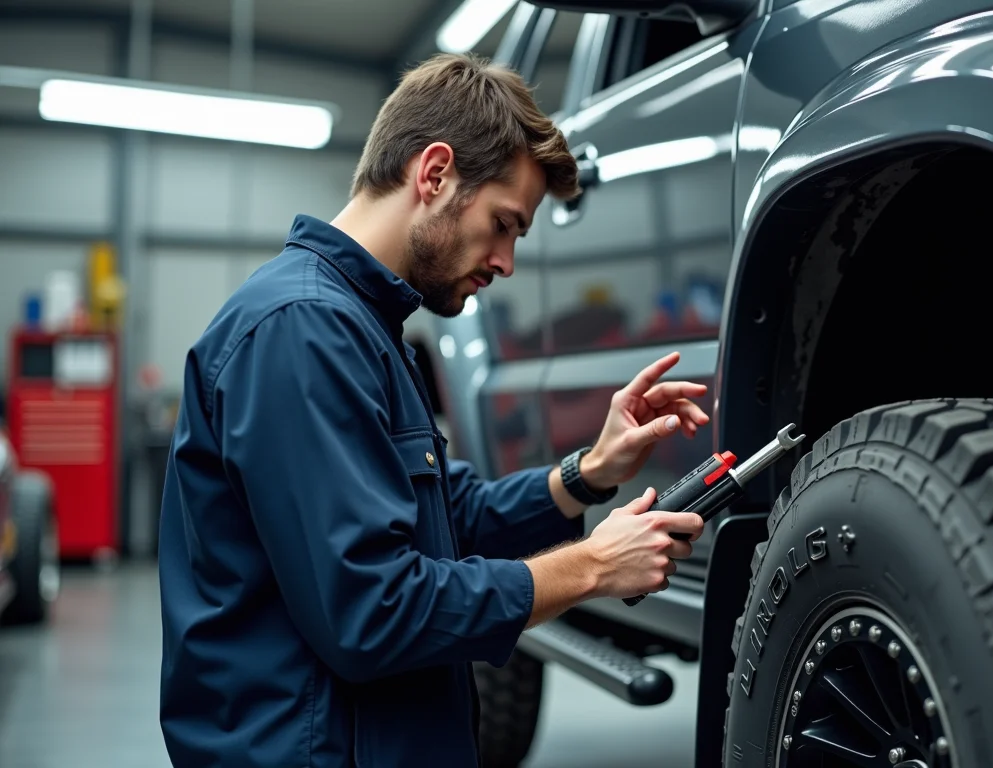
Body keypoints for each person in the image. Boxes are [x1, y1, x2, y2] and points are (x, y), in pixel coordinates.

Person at [156, 52, 711, 768]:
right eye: (504, 224)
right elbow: (372, 612)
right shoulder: (303, 330)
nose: (507, 261)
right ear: (436, 173)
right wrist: (594, 568)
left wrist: (590, 474)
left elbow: (451, 518)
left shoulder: (363, 326)